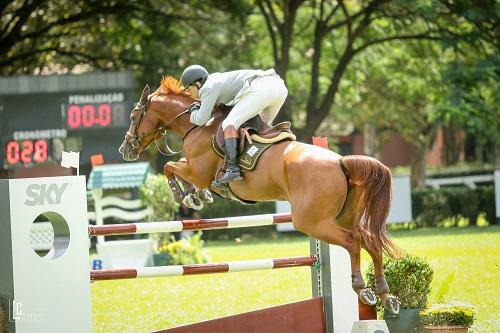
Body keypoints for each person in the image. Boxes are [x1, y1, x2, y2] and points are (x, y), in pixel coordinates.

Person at [180, 65, 288, 187]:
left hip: (261, 88)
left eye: (188, 89)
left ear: (198, 83)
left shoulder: (207, 88)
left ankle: (233, 169)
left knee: (229, 124)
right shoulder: (215, 80)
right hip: (279, 87)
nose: (188, 93)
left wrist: (193, 111)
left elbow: (201, 120)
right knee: (262, 129)